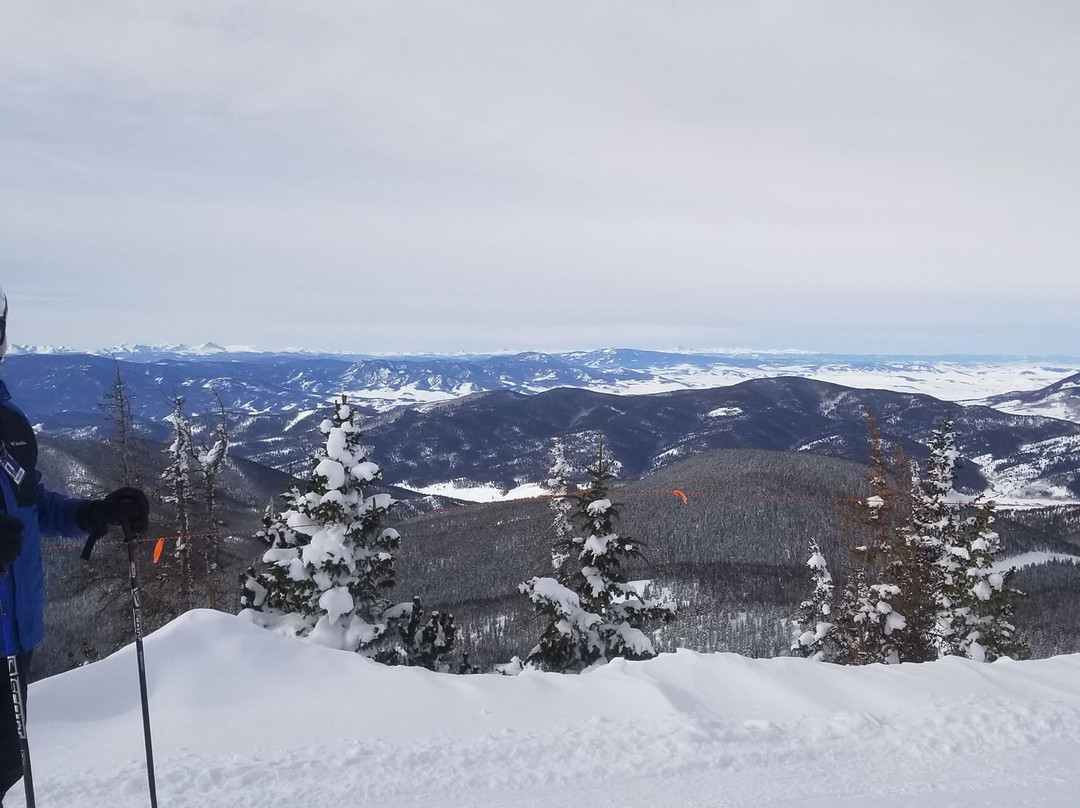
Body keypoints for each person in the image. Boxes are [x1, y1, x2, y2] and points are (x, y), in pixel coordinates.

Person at [0, 284, 150, 803]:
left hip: (17, 633)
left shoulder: (10, 425)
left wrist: (93, 513)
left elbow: (31, 505)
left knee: (7, 772)